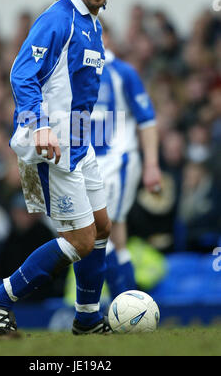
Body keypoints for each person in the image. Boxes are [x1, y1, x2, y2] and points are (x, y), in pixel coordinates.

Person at [0, 0, 119, 336]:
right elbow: (22, 74)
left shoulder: (93, 23)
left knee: (103, 227)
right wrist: (38, 126)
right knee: (81, 239)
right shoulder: (59, 19)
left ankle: (87, 319)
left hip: (79, 143)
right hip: (52, 146)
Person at [91, 25, 162, 299]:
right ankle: (130, 305)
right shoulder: (72, 74)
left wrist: (152, 165)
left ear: (107, 38)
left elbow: (147, 120)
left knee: (101, 229)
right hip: (89, 163)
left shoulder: (122, 72)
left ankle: (125, 303)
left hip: (118, 160)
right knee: (115, 238)